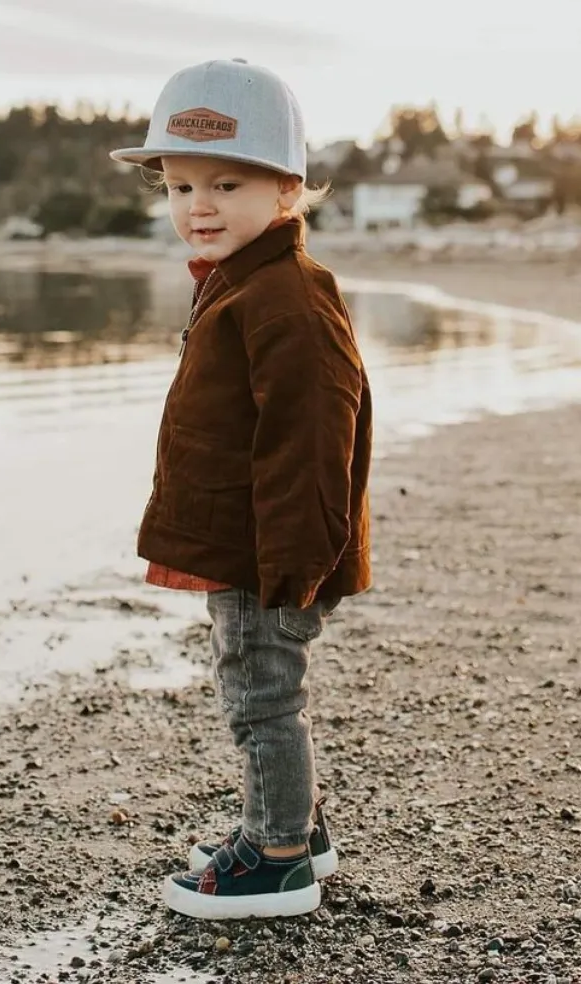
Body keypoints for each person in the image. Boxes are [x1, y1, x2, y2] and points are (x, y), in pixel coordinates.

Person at [109, 58, 373, 921]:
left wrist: (293, 566)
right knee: (260, 689)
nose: (200, 206)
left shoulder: (288, 299)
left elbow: (312, 441)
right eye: (180, 186)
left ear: (289, 189)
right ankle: (300, 824)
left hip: (271, 552)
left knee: (261, 697)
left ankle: (279, 859)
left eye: (227, 182)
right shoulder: (244, 282)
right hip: (247, 541)